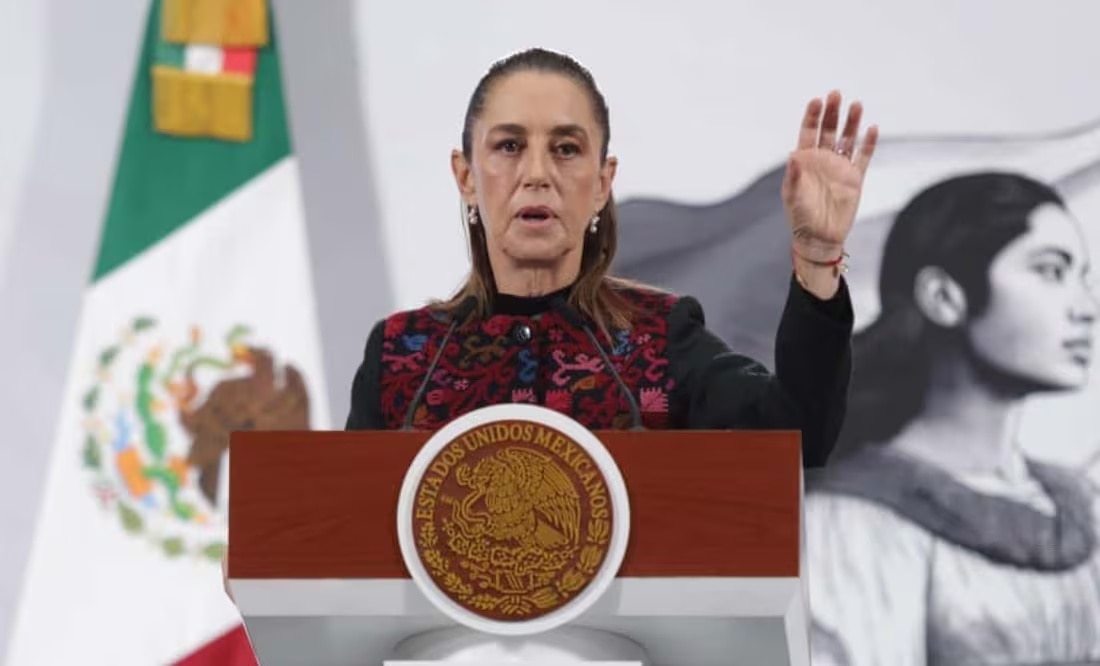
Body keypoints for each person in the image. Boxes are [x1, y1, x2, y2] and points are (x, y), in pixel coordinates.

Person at [344, 47, 879, 469]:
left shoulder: (657, 338)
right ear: (466, 177)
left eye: (566, 148)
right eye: (509, 146)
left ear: (602, 184)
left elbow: (798, 438)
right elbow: (341, 537)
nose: (537, 174)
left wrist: (817, 256)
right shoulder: (402, 356)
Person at [804, 172, 1100, 665]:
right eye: (1050, 271)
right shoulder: (853, 522)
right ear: (944, 297)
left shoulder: (1080, 503)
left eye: (1083, 277)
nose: (1086, 309)